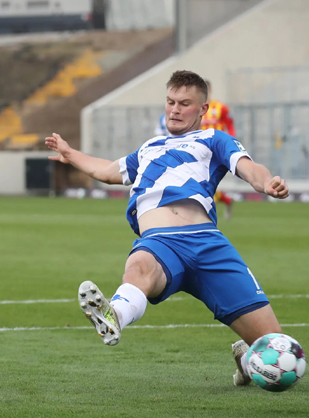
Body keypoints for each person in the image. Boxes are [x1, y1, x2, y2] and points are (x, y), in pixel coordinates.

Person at [45, 70, 289, 387]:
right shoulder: (148, 149)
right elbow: (107, 171)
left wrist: (266, 183)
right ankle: (113, 315)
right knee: (139, 265)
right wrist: (70, 154)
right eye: (170, 102)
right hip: (161, 243)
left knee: (280, 355)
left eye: (184, 103)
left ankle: (246, 357)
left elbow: (249, 168)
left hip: (208, 246)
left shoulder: (212, 139)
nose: (174, 109)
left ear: (203, 109)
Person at [202, 80, 236, 219]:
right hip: (202, 150)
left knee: (207, 180)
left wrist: (231, 143)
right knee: (206, 181)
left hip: (217, 150)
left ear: (209, 90)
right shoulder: (196, 109)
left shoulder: (220, 107)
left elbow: (230, 125)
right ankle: (227, 200)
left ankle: (206, 217)